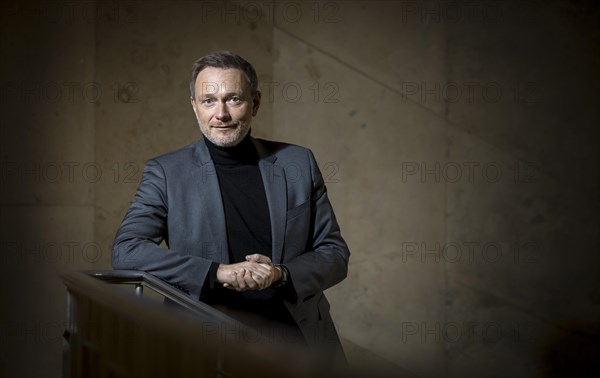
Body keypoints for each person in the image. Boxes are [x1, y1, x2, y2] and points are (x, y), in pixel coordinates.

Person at [112, 51, 350, 370]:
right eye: (208, 100)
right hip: (203, 344)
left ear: (256, 102)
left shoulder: (298, 162)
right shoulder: (166, 172)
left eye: (233, 98)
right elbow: (127, 252)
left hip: (297, 341)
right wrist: (216, 272)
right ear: (194, 106)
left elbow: (334, 253)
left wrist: (281, 274)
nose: (220, 114)